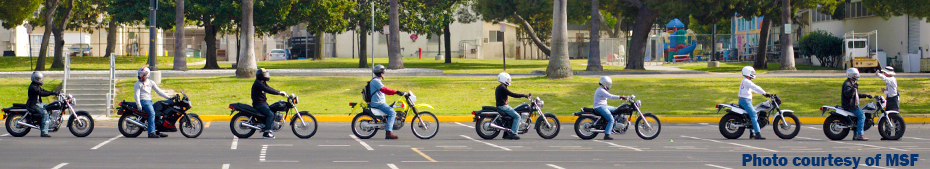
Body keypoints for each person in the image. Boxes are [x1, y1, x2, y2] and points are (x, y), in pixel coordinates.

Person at [369, 65, 406, 139]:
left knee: (392, 108)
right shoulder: (376, 81)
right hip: (378, 103)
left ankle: (388, 125)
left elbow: (384, 91)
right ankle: (388, 132)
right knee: (392, 113)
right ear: (380, 73)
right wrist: (396, 92)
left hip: (379, 102)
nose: (384, 74)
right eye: (383, 72)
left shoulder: (376, 80)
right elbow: (385, 90)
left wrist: (395, 92)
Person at [134, 67, 172, 138]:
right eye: (139, 74)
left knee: (159, 112)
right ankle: (151, 132)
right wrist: (138, 104)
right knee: (152, 113)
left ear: (147, 74)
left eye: (142, 74)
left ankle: (158, 131)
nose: (140, 76)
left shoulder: (151, 82)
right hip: (143, 101)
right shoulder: (138, 84)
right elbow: (137, 95)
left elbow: (159, 91)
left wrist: (169, 97)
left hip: (149, 101)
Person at [252, 68, 287, 139]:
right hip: (259, 104)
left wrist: (278, 92)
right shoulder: (258, 83)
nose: (266, 76)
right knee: (270, 114)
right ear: (261, 76)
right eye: (265, 75)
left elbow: (268, 87)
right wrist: (278, 93)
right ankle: (266, 133)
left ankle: (267, 125)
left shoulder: (262, 82)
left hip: (262, 103)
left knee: (272, 111)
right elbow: (267, 89)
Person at [738, 66, 772, 140]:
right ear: (748, 72)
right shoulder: (747, 81)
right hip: (745, 101)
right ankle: (757, 134)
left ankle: (752, 133)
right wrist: (765, 93)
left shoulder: (745, 81)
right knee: (754, 115)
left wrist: (763, 93)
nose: (753, 74)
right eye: (752, 72)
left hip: (745, 101)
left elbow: (753, 89)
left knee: (751, 116)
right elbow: (755, 87)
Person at [495, 72, 530, 140]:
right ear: (504, 79)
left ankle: (506, 134)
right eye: (508, 80)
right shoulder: (502, 88)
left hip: (502, 106)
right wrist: (523, 95)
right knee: (517, 117)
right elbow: (512, 94)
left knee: (511, 117)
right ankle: (513, 133)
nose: (509, 81)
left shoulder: (500, 87)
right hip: (503, 106)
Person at [843, 68, 872, 141]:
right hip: (850, 105)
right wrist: (853, 88)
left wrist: (865, 95)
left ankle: (855, 135)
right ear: (851, 75)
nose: (856, 76)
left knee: (856, 118)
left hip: (852, 104)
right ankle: (860, 135)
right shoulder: (847, 84)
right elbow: (847, 94)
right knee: (862, 116)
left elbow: (855, 94)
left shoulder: (851, 83)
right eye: (855, 74)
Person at [27, 72, 59, 137]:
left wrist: (54, 92)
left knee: (49, 107)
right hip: (34, 104)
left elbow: (43, 90)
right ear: (35, 79)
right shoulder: (33, 87)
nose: (40, 80)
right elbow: (41, 93)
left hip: (38, 103)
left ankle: (46, 123)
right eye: (39, 79)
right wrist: (52, 93)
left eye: (41, 79)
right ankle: (44, 132)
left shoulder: (36, 86)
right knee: (45, 114)